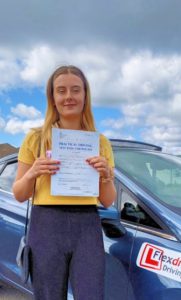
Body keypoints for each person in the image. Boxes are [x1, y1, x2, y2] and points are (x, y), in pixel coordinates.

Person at [12, 65, 117, 300]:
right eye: (61, 90)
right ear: (53, 97)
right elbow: (19, 194)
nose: (69, 96)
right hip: (47, 225)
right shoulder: (36, 139)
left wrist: (107, 175)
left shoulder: (100, 143)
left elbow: (108, 201)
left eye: (75, 90)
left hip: (87, 226)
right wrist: (32, 174)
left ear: (85, 96)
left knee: (91, 295)